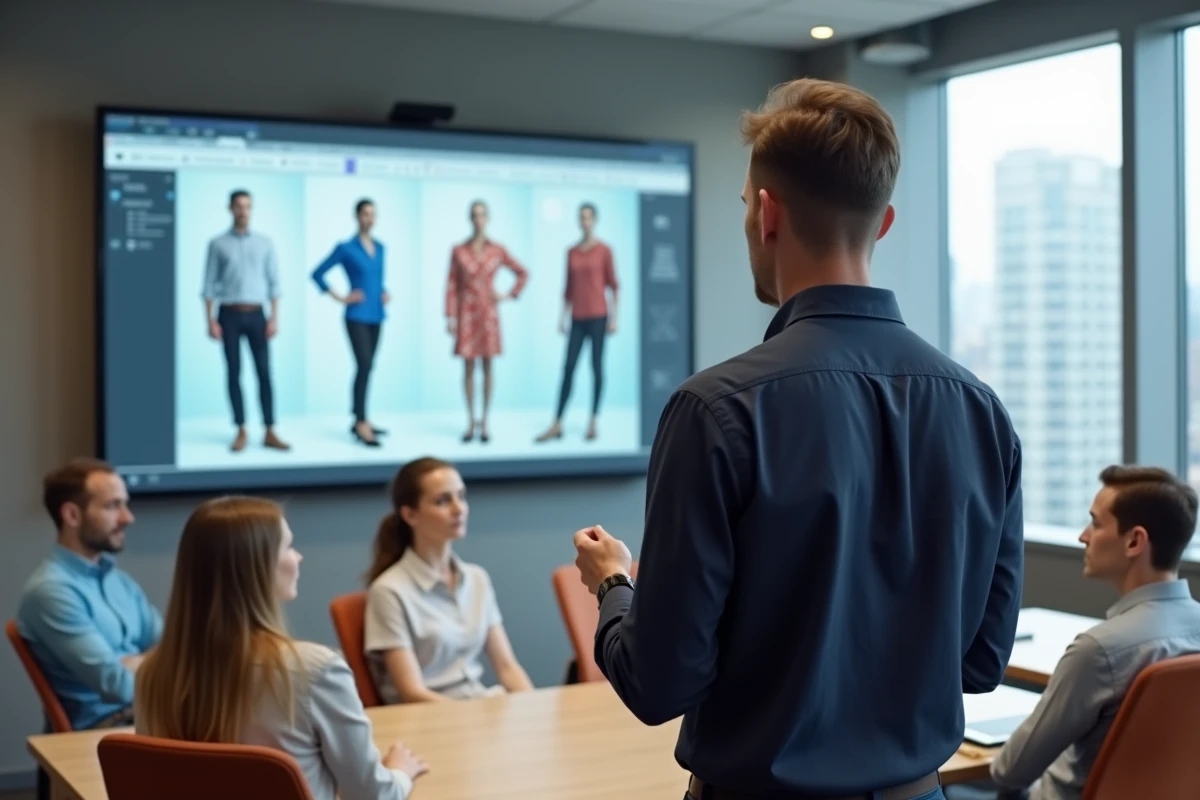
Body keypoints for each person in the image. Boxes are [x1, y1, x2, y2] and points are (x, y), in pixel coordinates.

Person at [572, 77, 1024, 800]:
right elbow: (979, 664)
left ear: (766, 213)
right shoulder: (981, 412)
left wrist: (614, 586)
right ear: (883, 223)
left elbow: (659, 687)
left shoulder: (714, 410)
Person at [134, 496, 428, 800]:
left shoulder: (152, 675)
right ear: (256, 569)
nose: (298, 557)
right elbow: (372, 795)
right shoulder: (315, 671)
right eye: (288, 546)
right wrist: (399, 773)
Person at [987, 466, 1200, 800]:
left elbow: (1010, 770)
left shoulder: (1100, 651)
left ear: (1134, 541)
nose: (1083, 536)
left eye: (1096, 523)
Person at [364, 457, 533, 703]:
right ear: (410, 515)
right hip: (429, 722)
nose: (459, 509)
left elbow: (508, 668)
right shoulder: (389, 591)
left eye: (461, 496)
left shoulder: (477, 579)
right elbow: (412, 693)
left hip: (476, 707)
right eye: (443, 501)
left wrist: (533, 710)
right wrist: (474, 719)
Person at [16, 458, 162, 730]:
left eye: (125, 504)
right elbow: (118, 685)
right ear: (72, 515)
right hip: (106, 729)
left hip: (145, 715)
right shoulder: (51, 591)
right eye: (112, 506)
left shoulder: (119, 581)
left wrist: (132, 662)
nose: (127, 517)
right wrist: (150, 661)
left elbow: (176, 650)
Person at [202, 189, 290, 453]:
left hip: (257, 315)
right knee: (234, 373)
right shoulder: (217, 244)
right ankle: (240, 429)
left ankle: (269, 430)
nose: (243, 211)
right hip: (228, 314)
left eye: (248, 206)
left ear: (252, 210)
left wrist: (274, 318)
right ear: (230, 208)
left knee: (264, 372)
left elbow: (275, 284)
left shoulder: (265, 243)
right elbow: (208, 284)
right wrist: (210, 320)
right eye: (239, 206)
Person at [445, 200, 529, 444]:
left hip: (488, 313)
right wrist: (450, 316)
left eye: (482, 215)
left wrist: (507, 294)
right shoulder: (459, 250)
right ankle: (471, 420)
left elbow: (522, 272)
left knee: (488, 366)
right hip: (466, 313)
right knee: (469, 367)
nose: (478, 219)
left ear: (487, 218)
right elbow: (451, 284)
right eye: (474, 215)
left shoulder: (497, 249)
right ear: (469, 218)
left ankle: (486, 420)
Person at [536, 202, 619, 444]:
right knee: (568, 368)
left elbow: (613, 285)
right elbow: (568, 288)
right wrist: (562, 318)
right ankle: (557, 422)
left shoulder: (604, 250)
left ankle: (593, 420)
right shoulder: (571, 251)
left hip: (599, 316)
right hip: (577, 317)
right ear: (578, 221)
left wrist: (614, 318)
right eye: (582, 217)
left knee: (596, 367)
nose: (585, 222)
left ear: (595, 220)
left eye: (589, 218)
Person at [311, 198, 392, 448]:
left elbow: (376, 277)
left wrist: (384, 291)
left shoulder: (380, 247)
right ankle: (359, 422)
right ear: (357, 216)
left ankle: (362, 417)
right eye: (366, 214)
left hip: (376, 314)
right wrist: (341, 297)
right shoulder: (346, 247)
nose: (370, 218)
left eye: (373, 214)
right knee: (363, 365)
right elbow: (317, 273)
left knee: (369, 367)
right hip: (356, 315)